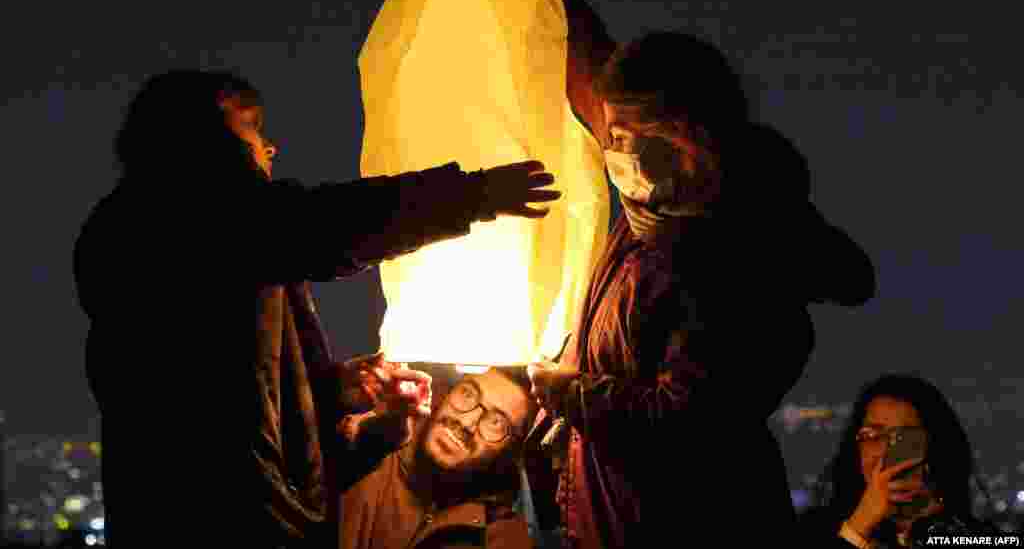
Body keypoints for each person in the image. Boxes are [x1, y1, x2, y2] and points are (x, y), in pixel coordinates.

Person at [72, 70, 560, 547]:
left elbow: (231, 389)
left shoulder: (228, 249)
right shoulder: (163, 223)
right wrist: (470, 195)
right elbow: (315, 226)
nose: (270, 147)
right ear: (201, 142)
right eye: (252, 127)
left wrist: (334, 391)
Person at [523, 31, 877, 547]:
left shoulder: (736, 263)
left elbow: (684, 426)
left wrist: (569, 393)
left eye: (628, 134)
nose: (615, 150)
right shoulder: (651, 214)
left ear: (689, 137)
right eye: (612, 133)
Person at [333, 366, 539, 549]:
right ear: (447, 393)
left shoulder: (504, 538)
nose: (467, 423)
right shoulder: (370, 454)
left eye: (496, 422)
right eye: (468, 394)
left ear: (509, 453)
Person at [799, 374, 1003, 548]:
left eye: (904, 439)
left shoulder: (980, 537)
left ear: (934, 447)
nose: (886, 451)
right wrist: (858, 528)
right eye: (872, 435)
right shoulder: (812, 532)